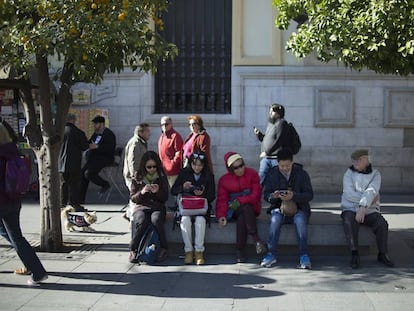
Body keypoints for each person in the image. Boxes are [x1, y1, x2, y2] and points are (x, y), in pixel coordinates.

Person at [0, 122, 48, 286]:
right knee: (15, 236)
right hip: (13, 200)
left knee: (14, 236)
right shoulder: (13, 152)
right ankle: (37, 271)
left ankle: (36, 270)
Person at [260, 149, 314, 269]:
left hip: (299, 208)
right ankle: (271, 254)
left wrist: (294, 195)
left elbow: (309, 195)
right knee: (275, 221)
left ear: (292, 163)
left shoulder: (301, 173)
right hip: (279, 208)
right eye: (282, 166)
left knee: (300, 221)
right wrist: (273, 197)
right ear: (277, 163)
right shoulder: (273, 174)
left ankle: (304, 255)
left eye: (287, 166)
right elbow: (266, 195)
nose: (285, 168)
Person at [341, 149, 394, 269]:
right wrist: (366, 202)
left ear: (367, 160)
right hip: (350, 208)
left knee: (382, 224)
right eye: (354, 160)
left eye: (359, 160)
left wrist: (364, 207)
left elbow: (372, 190)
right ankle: (354, 253)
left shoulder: (375, 174)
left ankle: (383, 253)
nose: (355, 162)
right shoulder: (348, 173)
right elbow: (348, 193)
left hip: (369, 210)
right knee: (349, 221)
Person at [216, 152, 267, 263]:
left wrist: (240, 201)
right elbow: (222, 200)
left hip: (251, 207)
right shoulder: (224, 180)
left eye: (242, 165)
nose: (240, 169)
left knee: (244, 212)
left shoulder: (252, 174)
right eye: (236, 167)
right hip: (233, 209)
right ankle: (256, 240)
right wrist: (221, 215)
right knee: (243, 212)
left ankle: (240, 250)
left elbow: (256, 195)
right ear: (230, 169)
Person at [171, 151, 215, 265]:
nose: (197, 167)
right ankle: (188, 251)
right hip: (186, 206)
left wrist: (202, 193)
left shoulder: (209, 175)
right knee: (185, 220)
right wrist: (183, 187)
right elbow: (173, 190)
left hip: (201, 207)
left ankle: (199, 251)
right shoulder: (184, 173)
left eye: (200, 165)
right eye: (195, 164)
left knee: (200, 220)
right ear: (190, 164)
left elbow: (212, 196)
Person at [128, 151, 169, 263]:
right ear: (144, 166)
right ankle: (133, 249)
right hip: (141, 206)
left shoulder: (161, 176)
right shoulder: (138, 176)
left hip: (157, 206)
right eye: (149, 167)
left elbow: (165, 197)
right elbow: (133, 198)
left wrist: (157, 192)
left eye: (154, 166)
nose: (152, 169)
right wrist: (142, 192)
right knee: (141, 220)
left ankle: (164, 248)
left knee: (156, 220)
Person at [79, 115, 116, 203]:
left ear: (101, 124)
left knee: (89, 173)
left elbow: (110, 148)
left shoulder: (109, 134)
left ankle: (104, 184)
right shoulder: (96, 134)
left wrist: (97, 147)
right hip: (94, 158)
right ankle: (80, 199)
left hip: (105, 158)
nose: (95, 126)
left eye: (96, 124)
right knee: (82, 174)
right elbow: (90, 143)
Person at [59, 113, 89, 212]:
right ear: (73, 120)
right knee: (74, 184)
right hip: (74, 162)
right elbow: (84, 146)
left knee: (63, 184)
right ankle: (74, 204)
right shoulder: (78, 132)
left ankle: (62, 204)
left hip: (61, 162)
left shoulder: (59, 132)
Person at [254, 103, 290, 185]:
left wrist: (266, 152)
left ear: (278, 113)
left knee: (278, 181)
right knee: (261, 179)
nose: (270, 113)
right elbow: (266, 140)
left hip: (276, 159)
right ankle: (255, 196)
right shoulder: (271, 124)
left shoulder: (282, 123)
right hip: (266, 158)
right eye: (270, 111)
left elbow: (279, 140)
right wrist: (259, 135)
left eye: (272, 112)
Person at [123, 123, 151, 190]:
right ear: (140, 132)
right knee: (136, 198)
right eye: (147, 131)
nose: (149, 134)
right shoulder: (135, 143)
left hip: (139, 176)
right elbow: (133, 162)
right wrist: (136, 178)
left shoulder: (140, 142)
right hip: (135, 178)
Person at [158, 116, 183, 188]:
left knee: (175, 192)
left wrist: (172, 165)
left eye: (166, 124)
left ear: (171, 124)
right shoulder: (162, 137)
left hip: (173, 172)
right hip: (163, 171)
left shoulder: (175, 136)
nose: (164, 126)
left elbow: (179, 152)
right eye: (162, 125)